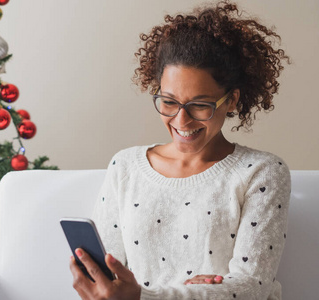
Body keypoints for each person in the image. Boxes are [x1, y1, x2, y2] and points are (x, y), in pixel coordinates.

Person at [69, 1, 291, 299]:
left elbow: (251, 287)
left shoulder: (262, 172)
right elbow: (109, 281)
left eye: (200, 104)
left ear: (232, 100)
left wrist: (143, 296)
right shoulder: (125, 167)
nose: (181, 120)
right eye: (169, 102)